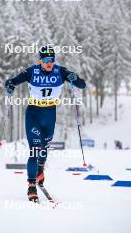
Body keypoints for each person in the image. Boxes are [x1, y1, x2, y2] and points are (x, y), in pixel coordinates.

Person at [5, 45, 86, 202]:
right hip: (34, 115)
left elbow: (82, 85)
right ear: (40, 60)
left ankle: (40, 169)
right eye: (46, 60)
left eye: (52, 60)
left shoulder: (61, 71)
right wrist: (10, 85)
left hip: (50, 115)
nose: (49, 63)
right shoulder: (32, 71)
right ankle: (31, 186)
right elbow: (12, 81)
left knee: (44, 148)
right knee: (35, 150)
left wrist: (74, 78)